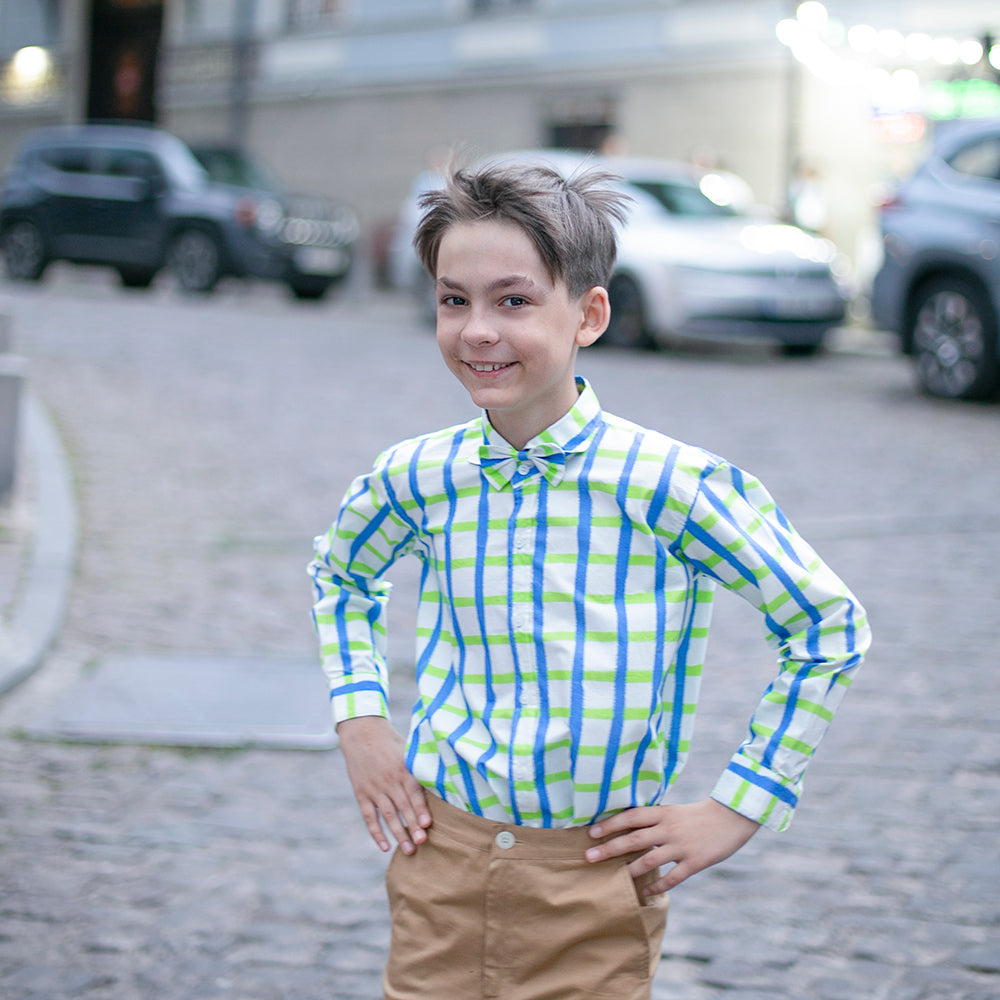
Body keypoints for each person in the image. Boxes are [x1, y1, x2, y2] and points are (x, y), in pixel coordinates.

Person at [308, 160, 871, 1000]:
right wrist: (360, 719)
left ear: (589, 314)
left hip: (597, 877)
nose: (477, 330)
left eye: (514, 300)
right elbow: (340, 574)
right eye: (453, 299)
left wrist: (740, 803)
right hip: (439, 861)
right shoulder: (416, 475)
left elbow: (827, 624)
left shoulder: (671, 483)